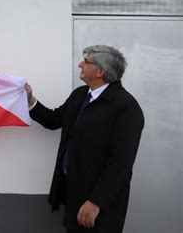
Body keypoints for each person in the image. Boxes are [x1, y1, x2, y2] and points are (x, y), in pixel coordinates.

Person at [25, 45, 144, 233]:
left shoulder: (126, 107)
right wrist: (30, 100)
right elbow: (54, 120)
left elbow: (120, 164)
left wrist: (96, 202)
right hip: (74, 193)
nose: (80, 64)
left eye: (86, 61)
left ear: (100, 71)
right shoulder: (80, 95)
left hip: (99, 204)